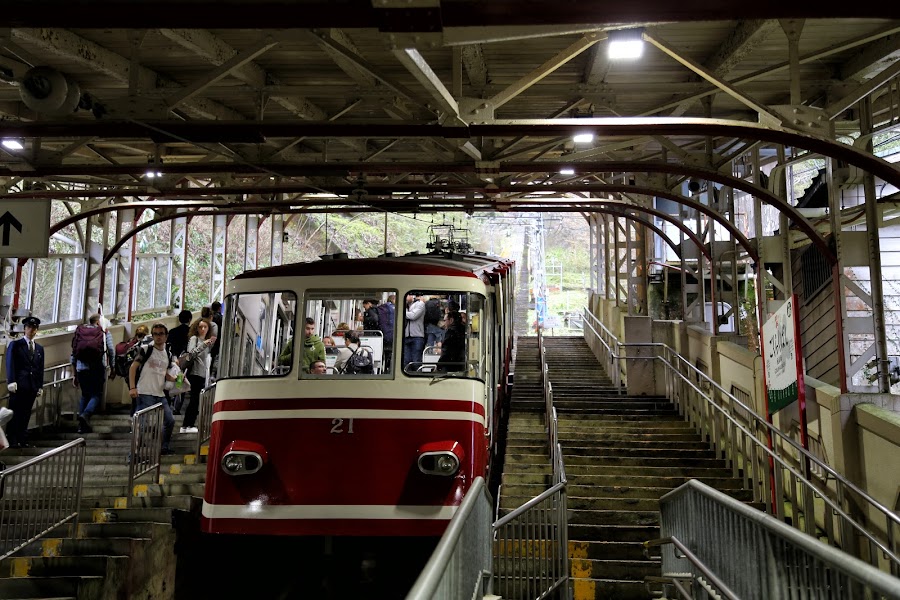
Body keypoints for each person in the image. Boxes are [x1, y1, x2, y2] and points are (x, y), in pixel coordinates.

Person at [128, 323, 177, 455]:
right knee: (141, 424)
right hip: (144, 391)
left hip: (160, 393)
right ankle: (133, 455)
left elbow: (163, 370)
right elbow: (133, 367)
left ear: (166, 336)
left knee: (170, 420)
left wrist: (173, 379)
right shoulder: (145, 349)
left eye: (161, 334)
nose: (158, 337)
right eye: (155, 334)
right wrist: (132, 387)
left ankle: (164, 447)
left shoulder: (167, 352)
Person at [5, 316, 44, 448]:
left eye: (34, 328)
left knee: (26, 413)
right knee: (15, 412)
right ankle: (13, 438)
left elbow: (40, 368)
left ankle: (22, 438)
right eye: (29, 327)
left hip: (32, 385)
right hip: (19, 384)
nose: (31, 330)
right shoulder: (16, 345)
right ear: (24, 329)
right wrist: (11, 380)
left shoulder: (39, 349)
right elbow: (10, 363)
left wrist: (40, 385)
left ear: (36, 330)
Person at [71, 313, 114, 434]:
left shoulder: (79, 332)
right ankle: (86, 414)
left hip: (81, 369)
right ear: (99, 322)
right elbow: (111, 350)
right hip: (97, 368)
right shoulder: (104, 332)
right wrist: (113, 367)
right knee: (96, 394)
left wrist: (74, 373)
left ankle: (81, 426)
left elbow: (73, 354)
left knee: (85, 394)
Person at [180, 318, 214, 434]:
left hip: (202, 373)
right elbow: (191, 353)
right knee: (194, 399)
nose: (203, 329)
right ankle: (187, 424)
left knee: (196, 400)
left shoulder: (207, 342)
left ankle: (189, 423)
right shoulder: (195, 339)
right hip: (194, 373)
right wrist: (203, 345)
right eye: (200, 327)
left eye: (205, 327)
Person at [402, 293, 426, 371]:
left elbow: (413, 316)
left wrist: (402, 311)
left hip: (417, 336)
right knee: (406, 361)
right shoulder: (406, 305)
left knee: (416, 361)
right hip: (406, 335)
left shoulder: (420, 304)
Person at [209, 301, 223, 376]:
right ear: (220, 308)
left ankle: (209, 372)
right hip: (218, 340)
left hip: (209, 340)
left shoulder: (210, 317)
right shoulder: (221, 318)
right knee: (215, 357)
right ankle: (213, 374)